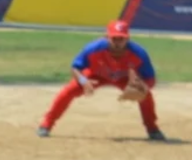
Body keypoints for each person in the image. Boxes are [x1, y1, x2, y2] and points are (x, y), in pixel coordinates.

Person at [37, 20, 166, 141]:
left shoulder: (139, 53)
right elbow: (75, 67)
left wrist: (144, 87)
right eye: (114, 38)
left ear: (128, 38)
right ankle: (46, 124)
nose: (117, 42)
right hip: (95, 75)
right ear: (106, 37)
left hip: (124, 78)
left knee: (146, 96)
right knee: (69, 91)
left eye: (121, 38)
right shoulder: (93, 48)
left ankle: (152, 128)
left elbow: (151, 78)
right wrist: (83, 81)